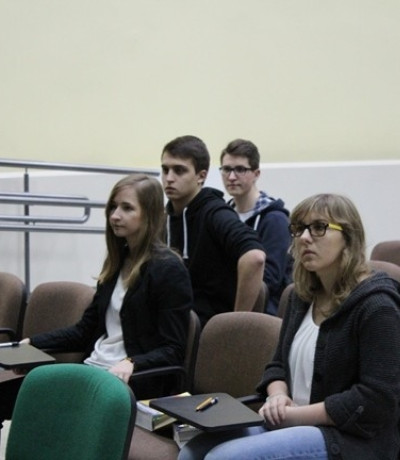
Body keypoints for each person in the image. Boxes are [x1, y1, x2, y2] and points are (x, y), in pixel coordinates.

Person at [179, 193, 400, 460]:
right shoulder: (301, 296)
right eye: (299, 229)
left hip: (347, 439)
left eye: (319, 227)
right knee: (193, 451)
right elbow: (277, 364)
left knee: (224, 458)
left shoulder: (378, 307)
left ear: (349, 236)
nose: (305, 238)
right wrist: (277, 396)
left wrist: (295, 416)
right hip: (290, 421)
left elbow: (375, 401)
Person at [0, 174, 193, 436]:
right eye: (113, 207)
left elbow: (173, 349)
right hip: (93, 369)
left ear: (149, 215)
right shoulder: (118, 262)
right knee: (13, 391)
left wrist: (132, 362)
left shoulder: (169, 269)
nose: (115, 216)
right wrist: (32, 343)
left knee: (45, 401)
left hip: (130, 380)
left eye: (127, 208)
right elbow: (84, 331)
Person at [161, 135, 266, 327]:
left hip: (206, 329)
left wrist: (234, 325)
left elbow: (255, 257)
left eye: (179, 170)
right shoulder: (165, 217)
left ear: (201, 176)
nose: (169, 178)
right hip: (170, 325)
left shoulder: (215, 213)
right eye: (165, 170)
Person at [220, 139, 292, 315]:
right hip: (224, 306)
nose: (231, 177)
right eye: (227, 169)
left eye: (240, 169)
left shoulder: (275, 219)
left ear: (256, 173)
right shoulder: (223, 216)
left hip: (263, 314)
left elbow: (269, 279)